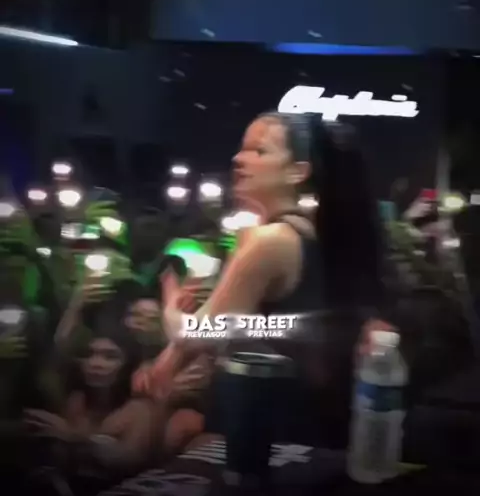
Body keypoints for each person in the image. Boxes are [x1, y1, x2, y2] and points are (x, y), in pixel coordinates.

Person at [134, 112, 390, 445]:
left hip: (268, 424)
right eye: (242, 149)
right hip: (309, 423)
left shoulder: (270, 241)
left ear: (298, 171)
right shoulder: (311, 236)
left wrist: (170, 305)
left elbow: (197, 334)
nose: (239, 159)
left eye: (259, 150)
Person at [25, 320, 159, 483]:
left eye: (110, 356)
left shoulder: (140, 409)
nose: (95, 364)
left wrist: (76, 438)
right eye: (89, 354)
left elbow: (131, 461)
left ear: (128, 364)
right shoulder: (77, 400)